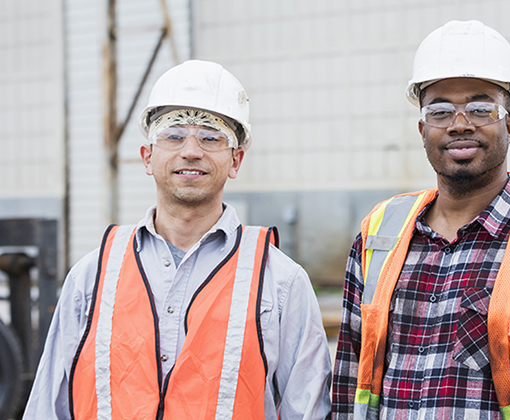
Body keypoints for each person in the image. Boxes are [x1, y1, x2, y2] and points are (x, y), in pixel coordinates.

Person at [331, 20, 510, 419]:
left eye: (481, 109)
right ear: (422, 129)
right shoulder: (380, 231)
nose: (460, 123)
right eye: (441, 110)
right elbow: (348, 382)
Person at [23, 60, 332, 419]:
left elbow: (307, 410)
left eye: (210, 136)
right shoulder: (91, 277)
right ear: (148, 157)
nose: (191, 150)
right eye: (173, 135)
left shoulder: (281, 283)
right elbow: (48, 407)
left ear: (236, 160)